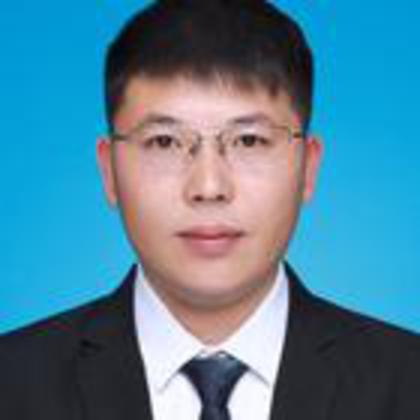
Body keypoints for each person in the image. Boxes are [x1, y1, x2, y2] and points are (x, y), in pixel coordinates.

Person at [1, 1, 419, 419]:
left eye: (249, 141)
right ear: (109, 169)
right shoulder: (14, 382)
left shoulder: (407, 381)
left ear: (307, 167)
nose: (208, 187)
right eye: (165, 142)